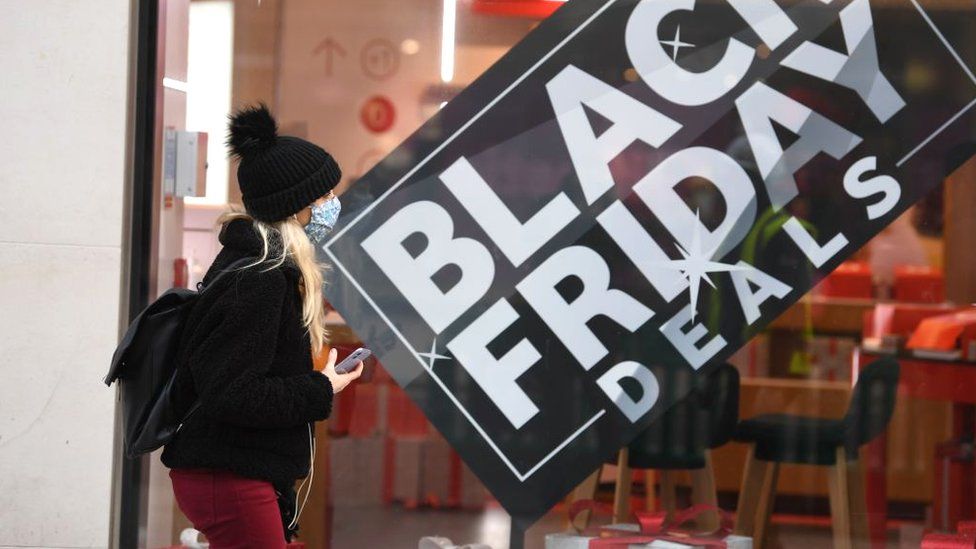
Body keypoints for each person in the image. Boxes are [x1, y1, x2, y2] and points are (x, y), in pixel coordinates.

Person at [161, 102, 364, 548]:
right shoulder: (259, 278)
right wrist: (320, 388)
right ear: (295, 207)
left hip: (239, 471)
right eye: (324, 196)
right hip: (230, 476)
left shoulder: (260, 267)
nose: (333, 204)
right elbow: (232, 392)